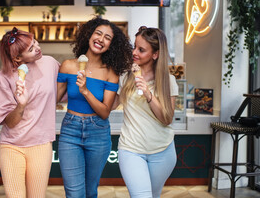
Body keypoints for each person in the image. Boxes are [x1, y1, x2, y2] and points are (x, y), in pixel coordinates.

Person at [57, 17, 133, 197]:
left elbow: (105, 112)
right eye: (98, 33)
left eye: (107, 37)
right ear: (89, 35)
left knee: (90, 191)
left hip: (98, 133)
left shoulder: (110, 73)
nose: (101, 39)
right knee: (74, 193)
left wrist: (85, 90)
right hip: (70, 131)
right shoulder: (68, 66)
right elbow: (53, 99)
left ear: (111, 45)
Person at [0, 27, 59, 198]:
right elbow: (10, 122)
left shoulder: (50, 63)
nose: (37, 48)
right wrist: (21, 106)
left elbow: (65, 89)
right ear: (17, 57)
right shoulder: (4, 77)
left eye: (35, 42)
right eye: (31, 48)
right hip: (11, 146)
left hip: (41, 144)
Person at [113, 26, 178, 198]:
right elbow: (111, 106)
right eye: (135, 46)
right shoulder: (126, 77)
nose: (134, 52)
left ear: (155, 54)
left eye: (141, 50)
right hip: (131, 149)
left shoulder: (168, 81)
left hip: (163, 152)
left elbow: (167, 119)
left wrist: (149, 94)